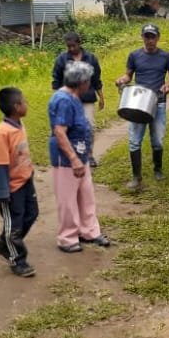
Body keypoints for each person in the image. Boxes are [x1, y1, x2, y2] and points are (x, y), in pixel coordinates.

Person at [48, 60, 111, 252]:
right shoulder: (63, 100)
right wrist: (74, 159)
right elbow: (60, 132)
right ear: (81, 82)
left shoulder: (74, 97)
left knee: (86, 194)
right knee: (68, 199)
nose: (90, 84)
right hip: (67, 159)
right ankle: (67, 238)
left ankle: (89, 231)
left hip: (81, 155)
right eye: (88, 81)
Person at [114, 23, 169, 190]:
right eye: (147, 36)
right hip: (138, 102)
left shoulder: (166, 56)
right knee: (135, 141)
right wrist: (121, 80)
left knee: (158, 140)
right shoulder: (134, 55)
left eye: (152, 37)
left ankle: (158, 170)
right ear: (142, 37)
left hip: (158, 102)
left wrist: (168, 85)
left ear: (158, 38)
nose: (150, 40)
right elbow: (128, 76)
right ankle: (136, 177)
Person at [0, 87, 38, 278]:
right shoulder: (3, 133)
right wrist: (4, 192)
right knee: (14, 227)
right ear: (17, 107)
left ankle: (4, 242)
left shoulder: (19, 124)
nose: (27, 104)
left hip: (26, 181)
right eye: (24, 101)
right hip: (11, 189)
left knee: (32, 214)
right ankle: (17, 259)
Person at [51, 32, 105, 166]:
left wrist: (101, 96)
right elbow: (56, 80)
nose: (71, 49)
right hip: (68, 100)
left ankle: (89, 155)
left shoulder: (91, 58)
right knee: (68, 128)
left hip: (87, 98)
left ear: (79, 43)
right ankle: (72, 154)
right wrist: (57, 100)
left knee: (89, 126)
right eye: (68, 46)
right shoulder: (62, 60)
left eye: (73, 46)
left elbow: (96, 79)